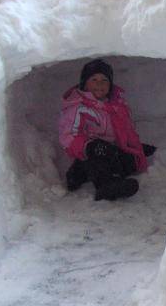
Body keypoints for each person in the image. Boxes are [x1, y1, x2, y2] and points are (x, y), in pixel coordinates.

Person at [59, 59, 156, 201]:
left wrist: (136, 148)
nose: (99, 84)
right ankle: (103, 185)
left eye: (104, 80)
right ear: (84, 83)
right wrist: (90, 146)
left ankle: (97, 175)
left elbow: (125, 131)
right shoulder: (79, 108)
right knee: (96, 162)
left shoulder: (116, 106)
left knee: (130, 161)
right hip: (89, 153)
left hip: (111, 150)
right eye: (94, 79)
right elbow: (68, 136)